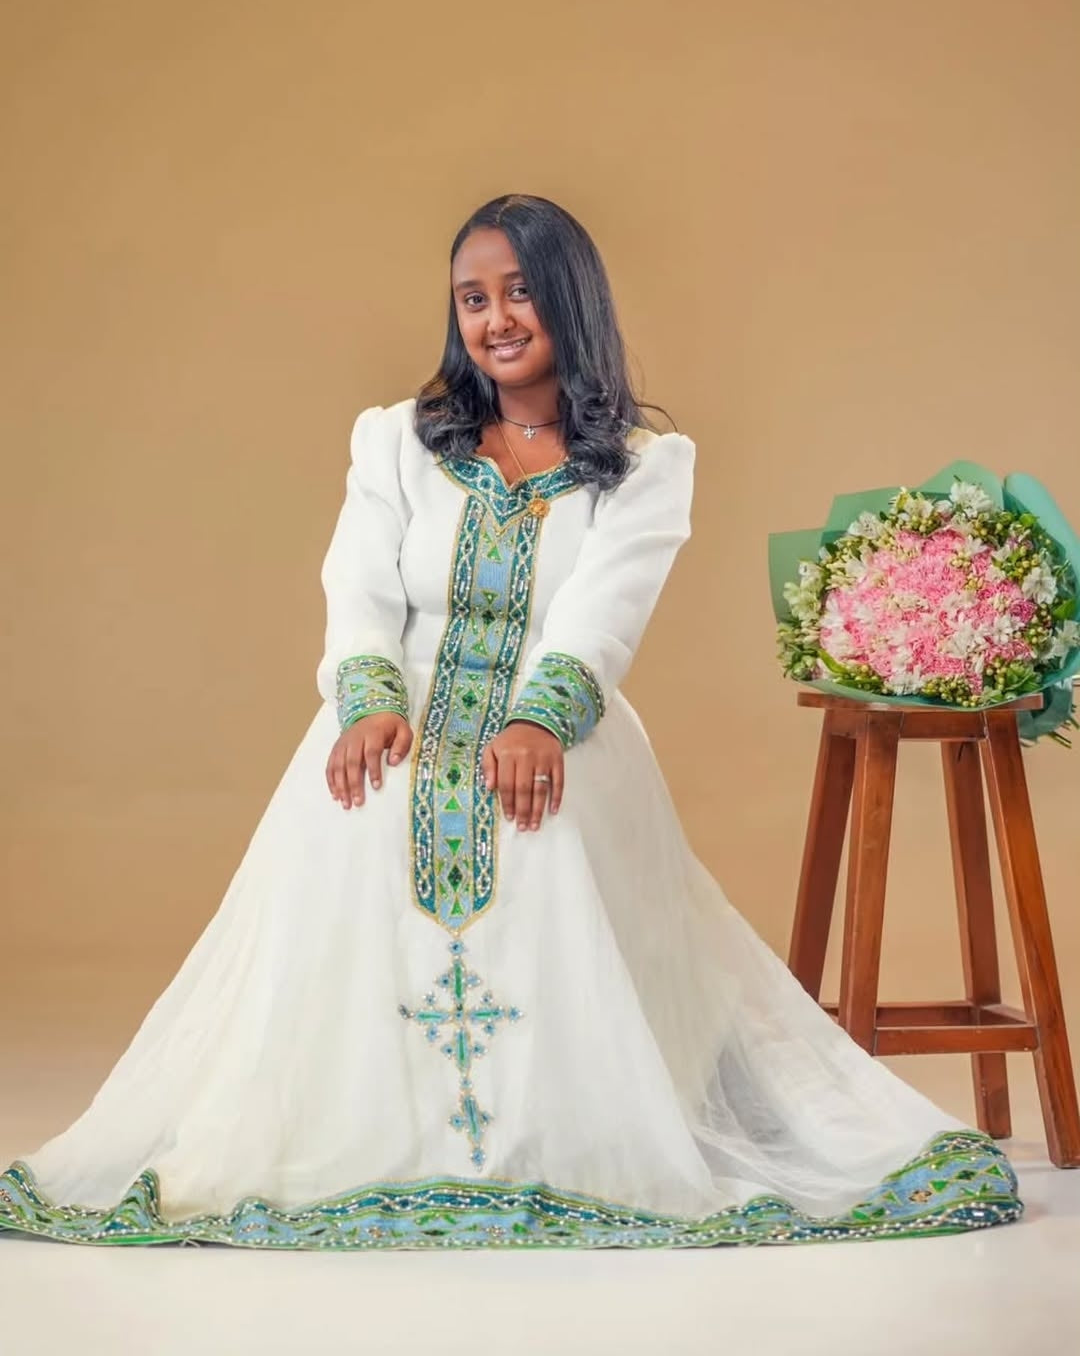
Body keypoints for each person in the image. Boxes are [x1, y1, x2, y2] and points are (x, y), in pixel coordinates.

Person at [0, 194, 1020, 1249]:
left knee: (547, 829)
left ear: (570, 300)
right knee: (354, 819)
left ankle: (559, 1140)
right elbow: (358, 588)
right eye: (473, 298)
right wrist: (368, 702)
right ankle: (372, 1139)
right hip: (397, 718)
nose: (496, 319)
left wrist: (538, 722)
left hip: (557, 725)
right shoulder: (398, 440)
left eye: (520, 293)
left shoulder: (642, 462)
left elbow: (603, 611)